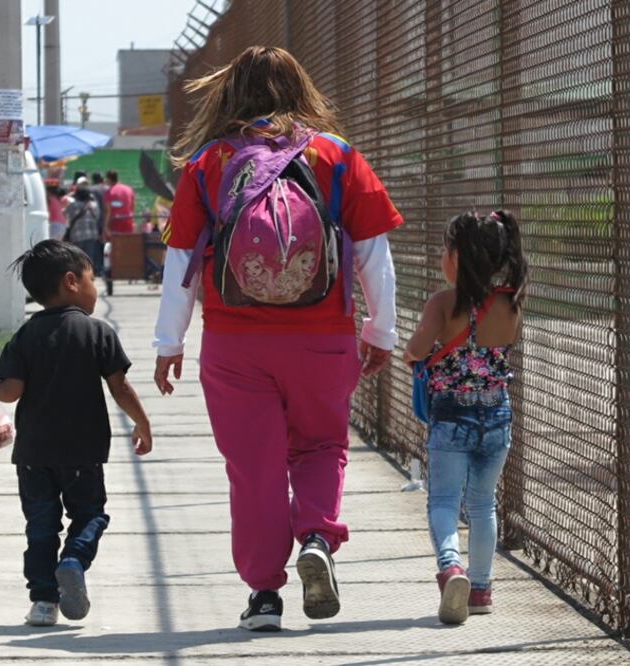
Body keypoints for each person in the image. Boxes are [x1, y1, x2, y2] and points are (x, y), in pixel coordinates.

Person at [153, 46, 401, 632]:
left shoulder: (208, 163)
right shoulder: (335, 155)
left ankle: (264, 595)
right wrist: (380, 329)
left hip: (235, 344)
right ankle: (316, 534)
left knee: (254, 468)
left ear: (230, 93)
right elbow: (374, 256)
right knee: (319, 446)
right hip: (323, 337)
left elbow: (180, 261)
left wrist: (169, 343)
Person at [0, 240, 153, 627]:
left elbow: (10, 391)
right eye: (93, 278)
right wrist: (142, 423)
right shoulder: (97, 332)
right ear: (72, 281)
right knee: (90, 514)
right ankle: (74, 559)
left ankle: (43, 602)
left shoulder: (25, 335)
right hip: (83, 452)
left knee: (40, 526)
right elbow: (120, 387)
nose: (96, 285)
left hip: (34, 455)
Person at [403, 210, 527, 625]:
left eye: (445, 249)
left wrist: (413, 350)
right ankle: (481, 589)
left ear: (457, 258)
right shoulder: (510, 303)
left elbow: (417, 350)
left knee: (443, 500)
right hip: (496, 415)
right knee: (482, 504)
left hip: (451, 416)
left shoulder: (442, 303)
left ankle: (451, 567)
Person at [63, 178, 103, 275]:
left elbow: (65, 214)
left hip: (77, 235)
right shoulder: (93, 205)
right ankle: (88, 276)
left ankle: (79, 276)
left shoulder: (73, 205)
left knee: (77, 258)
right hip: (91, 235)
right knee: (89, 258)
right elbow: (97, 217)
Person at [103, 170, 136, 235]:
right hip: (128, 221)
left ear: (108, 179)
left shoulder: (108, 192)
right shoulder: (129, 189)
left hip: (115, 223)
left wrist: (105, 227)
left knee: (116, 243)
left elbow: (108, 212)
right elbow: (132, 207)